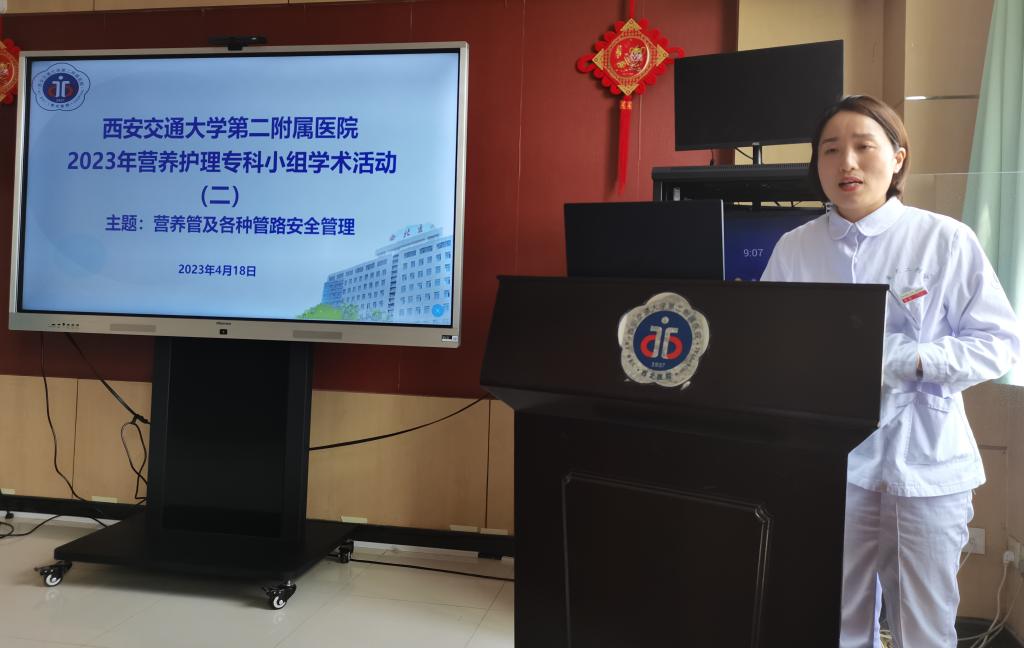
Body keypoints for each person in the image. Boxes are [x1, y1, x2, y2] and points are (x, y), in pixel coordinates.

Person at [761, 95, 1021, 648]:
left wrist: (912, 359)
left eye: (864, 146)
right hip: (828, 466)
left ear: (898, 157)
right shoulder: (794, 248)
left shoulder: (944, 238)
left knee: (923, 629)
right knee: (833, 622)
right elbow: (769, 346)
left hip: (924, 461)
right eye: (831, 150)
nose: (847, 163)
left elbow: (1000, 344)